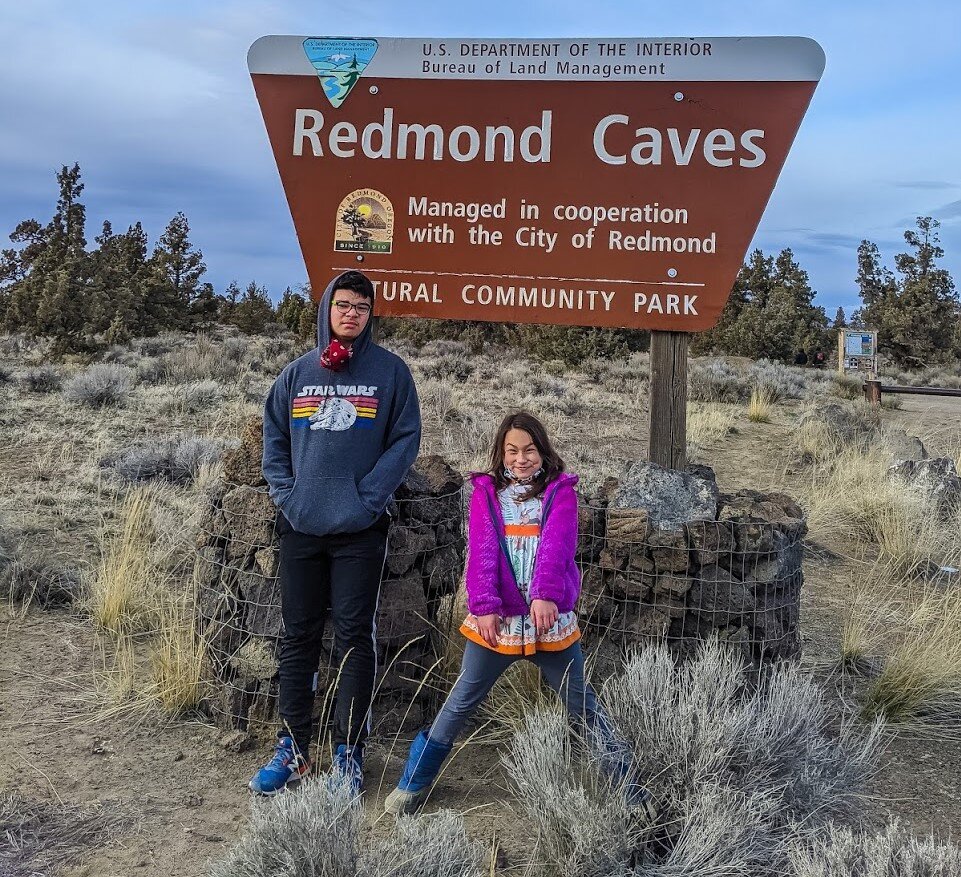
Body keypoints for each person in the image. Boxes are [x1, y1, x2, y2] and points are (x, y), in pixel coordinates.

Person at [385, 411, 651, 816]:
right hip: (500, 622)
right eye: (512, 450)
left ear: (543, 452)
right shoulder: (487, 492)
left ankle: (629, 790)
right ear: (501, 452)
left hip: (549, 619)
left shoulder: (560, 492)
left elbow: (558, 546)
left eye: (529, 450)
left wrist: (545, 595)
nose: (521, 458)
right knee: (461, 699)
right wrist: (485, 606)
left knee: (581, 703)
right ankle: (414, 783)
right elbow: (482, 554)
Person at [250, 270, 421, 796]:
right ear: (327, 309)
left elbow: (405, 439)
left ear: (371, 315)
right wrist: (286, 493)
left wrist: (368, 499)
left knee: (353, 637)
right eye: (342, 305)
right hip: (301, 525)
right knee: (297, 635)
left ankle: (349, 753)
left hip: (359, 532)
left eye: (361, 308)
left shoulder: (391, 374)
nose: (351, 314)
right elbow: (274, 436)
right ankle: (294, 749)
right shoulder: (297, 374)